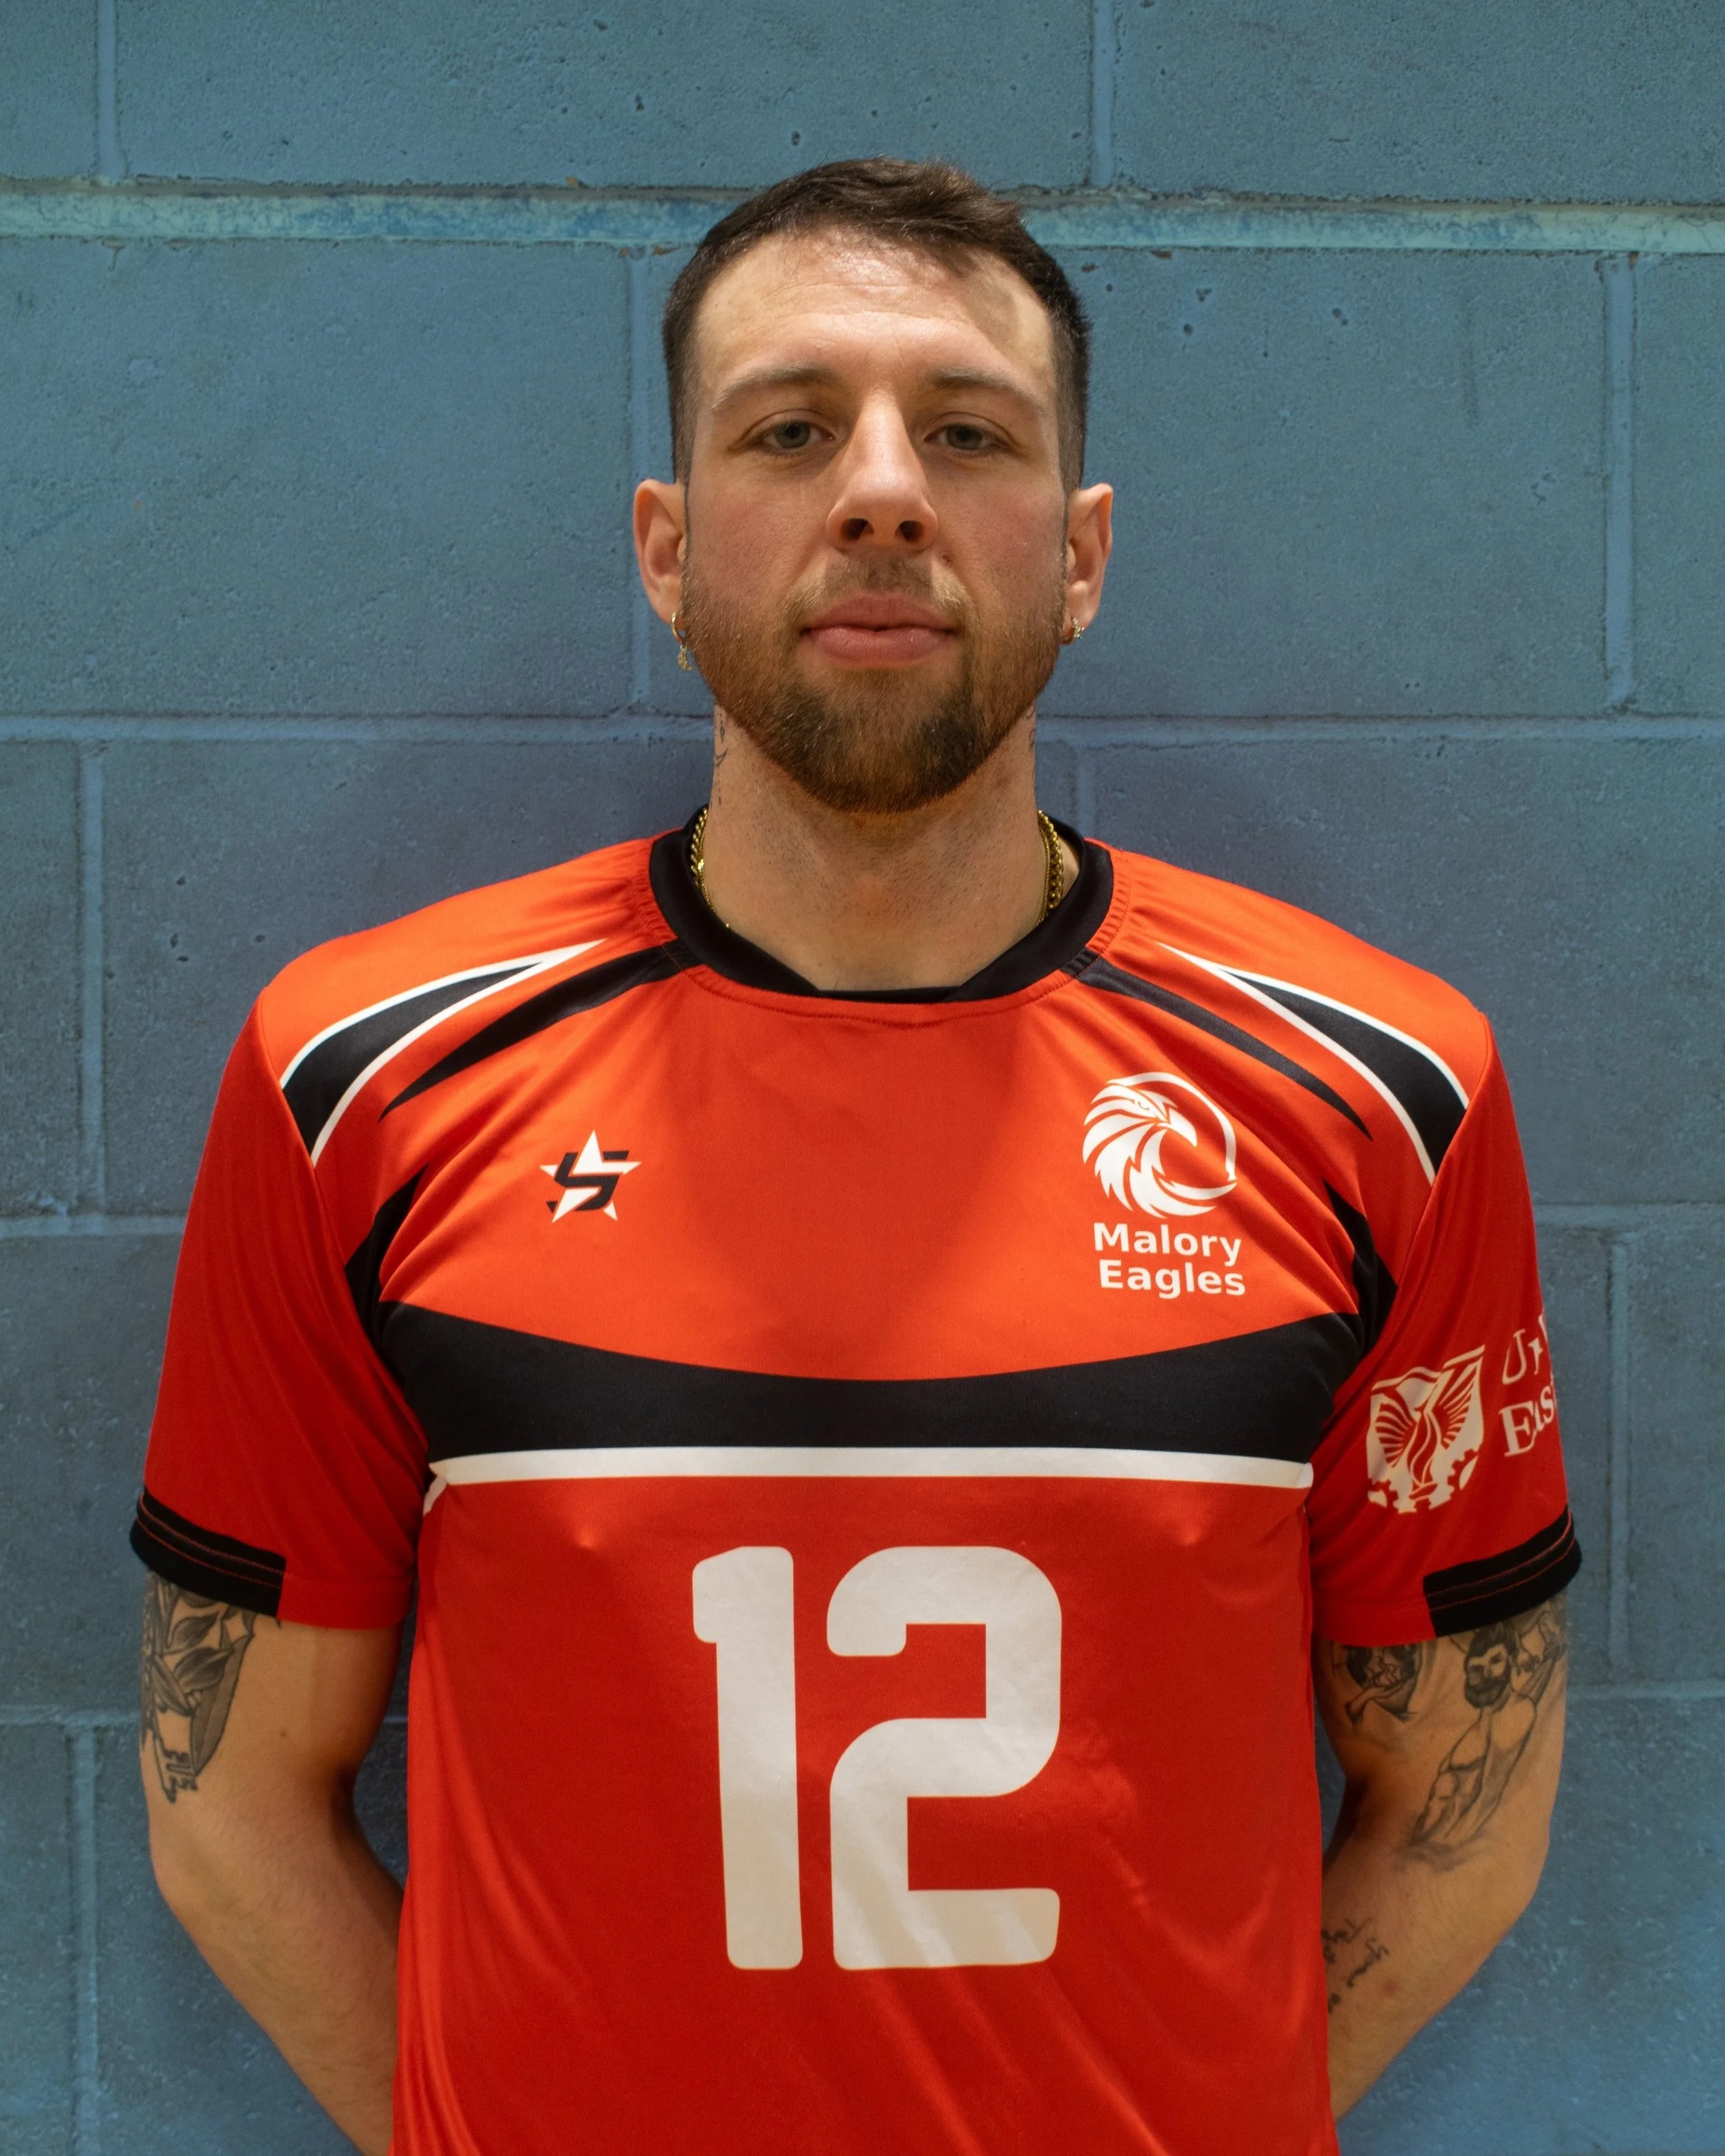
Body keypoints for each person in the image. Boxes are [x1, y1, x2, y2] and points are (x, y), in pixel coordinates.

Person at [133, 159, 1580, 2155]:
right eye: (791, 428)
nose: (881, 489)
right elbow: (228, 1801)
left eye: (967, 431)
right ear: (666, 545)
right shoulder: (362, 1077)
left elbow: (1468, 1808)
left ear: (1079, 554)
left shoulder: (1382, 1087)